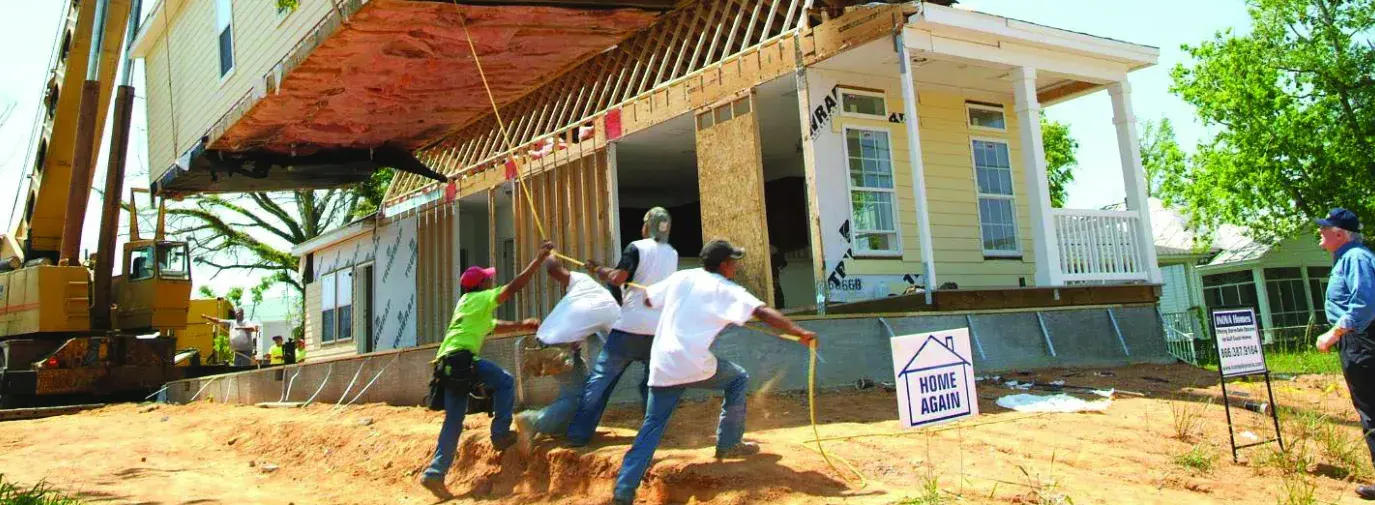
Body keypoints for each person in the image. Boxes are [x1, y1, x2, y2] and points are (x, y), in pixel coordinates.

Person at [612, 239, 817, 505]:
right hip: (692, 363)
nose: (735, 267)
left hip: (662, 363)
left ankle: (624, 489)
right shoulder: (726, 289)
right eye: (733, 262)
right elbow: (763, 312)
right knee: (737, 379)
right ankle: (728, 444)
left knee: (652, 426)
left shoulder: (682, 277)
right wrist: (800, 332)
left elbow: (649, 299)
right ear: (723, 265)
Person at [420, 240, 554, 499]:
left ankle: (435, 473)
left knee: (454, 421)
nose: (491, 282)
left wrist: (522, 324)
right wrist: (538, 260)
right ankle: (500, 434)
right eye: (488, 279)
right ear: (481, 285)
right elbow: (514, 287)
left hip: (446, 363)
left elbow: (494, 326)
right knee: (505, 381)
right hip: (462, 359)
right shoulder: (481, 298)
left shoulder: (466, 303)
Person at [566, 207, 679, 446]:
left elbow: (618, 278)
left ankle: (578, 435)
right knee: (653, 384)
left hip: (629, 328)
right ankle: (652, 436)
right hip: (658, 330)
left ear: (647, 227)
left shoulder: (636, 247)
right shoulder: (673, 253)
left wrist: (598, 270)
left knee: (600, 381)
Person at [513, 257, 620, 443]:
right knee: (578, 396)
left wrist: (549, 254)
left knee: (574, 389)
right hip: (560, 350)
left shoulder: (586, 282)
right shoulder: (614, 310)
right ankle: (534, 421)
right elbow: (621, 343)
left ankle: (559, 427)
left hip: (541, 342)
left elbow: (553, 269)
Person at [1313, 208, 1375, 500]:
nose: (1320, 232)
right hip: (1360, 340)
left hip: (1362, 341)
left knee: (1371, 409)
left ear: (1340, 234)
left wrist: (1334, 333)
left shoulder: (1355, 258)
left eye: (1324, 228)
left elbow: (1365, 303)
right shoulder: (1349, 257)